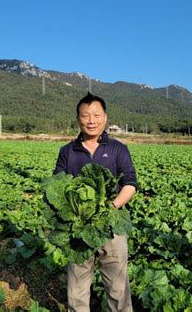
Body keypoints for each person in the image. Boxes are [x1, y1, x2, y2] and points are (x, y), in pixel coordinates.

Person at [54, 92, 137, 312]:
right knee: (76, 290)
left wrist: (110, 207)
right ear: (78, 118)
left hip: (111, 225)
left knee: (118, 288)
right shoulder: (67, 152)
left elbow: (130, 184)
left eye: (96, 115)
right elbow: (57, 187)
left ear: (105, 118)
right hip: (78, 230)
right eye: (86, 115)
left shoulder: (118, 149)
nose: (91, 120)